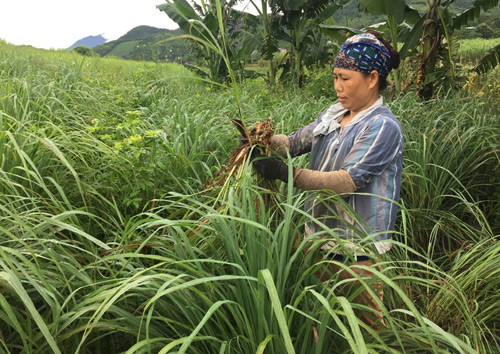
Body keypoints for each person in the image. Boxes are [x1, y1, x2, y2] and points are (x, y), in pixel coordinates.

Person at [252, 31, 404, 329]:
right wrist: (261, 140)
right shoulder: (334, 115)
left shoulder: (382, 126)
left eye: (345, 78)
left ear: (372, 78)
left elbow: (346, 181)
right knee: (322, 325)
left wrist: (285, 174)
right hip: (320, 239)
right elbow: (294, 143)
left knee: (365, 331)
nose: (337, 86)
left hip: (358, 250)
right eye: (335, 77)